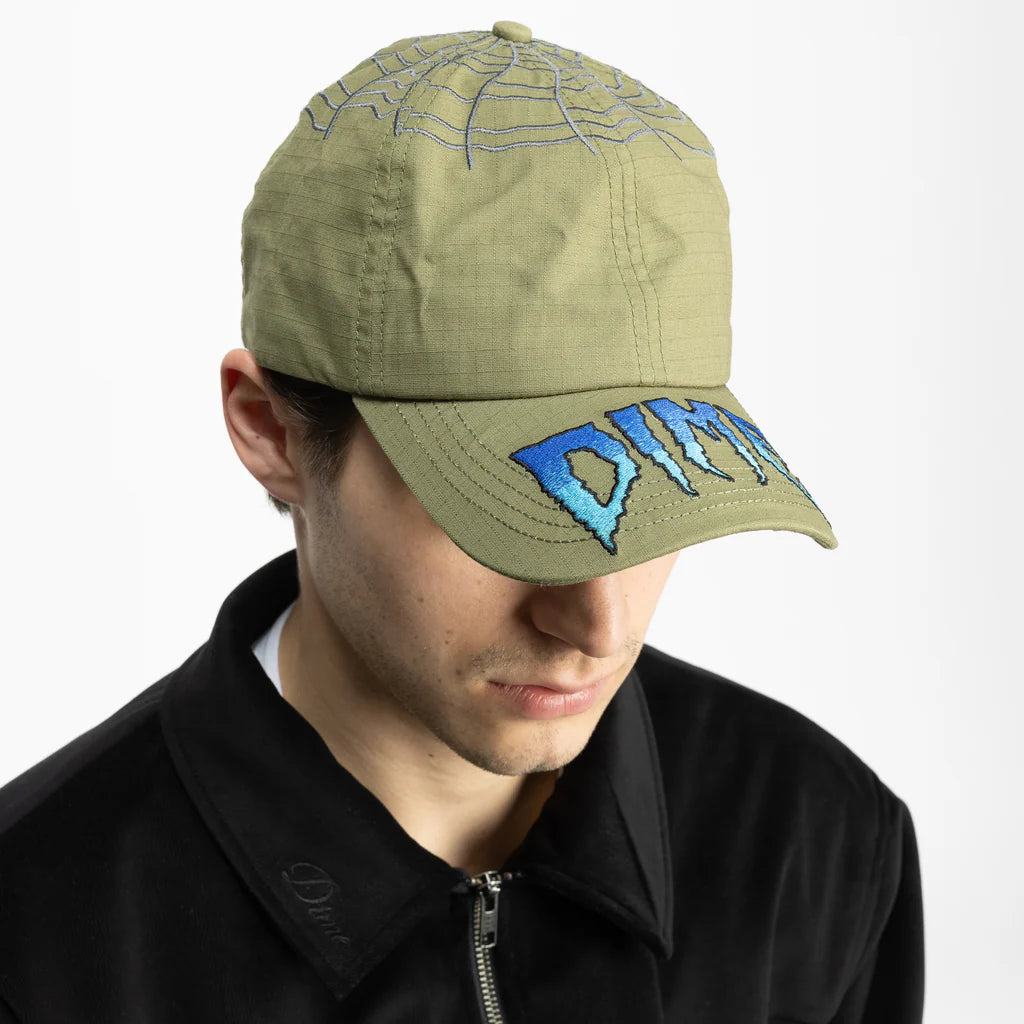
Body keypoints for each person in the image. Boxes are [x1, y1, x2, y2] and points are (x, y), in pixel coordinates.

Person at [0, 20, 924, 1023]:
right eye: (503, 506)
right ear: (271, 431)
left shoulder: (816, 840)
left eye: (654, 486)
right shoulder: (35, 936)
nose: (599, 624)